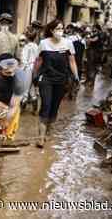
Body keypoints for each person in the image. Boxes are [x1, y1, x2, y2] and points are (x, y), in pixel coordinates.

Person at [33, 19, 79, 148]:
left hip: (61, 80)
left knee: (54, 107)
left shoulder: (68, 44)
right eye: (58, 29)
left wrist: (76, 77)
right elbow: (38, 61)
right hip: (46, 79)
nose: (60, 31)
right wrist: (34, 76)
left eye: (62, 28)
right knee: (46, 105)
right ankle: (41, 137)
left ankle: (49, 131)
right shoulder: (43, 43)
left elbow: (72, 62)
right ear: (52, 30)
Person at [20, 30, 39, 108]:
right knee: (31, 87)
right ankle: (34, 100)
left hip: (27, 68)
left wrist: (22, 70)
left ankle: (23, 104)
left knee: (25, 88)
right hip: (35, 68)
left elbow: (24, 60)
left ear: (27, 37)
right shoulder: (37, 46)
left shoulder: (26, 47)